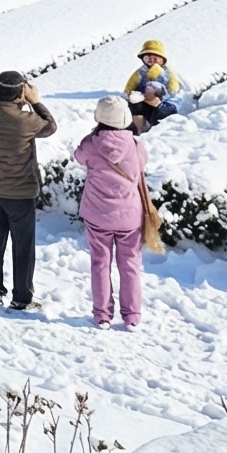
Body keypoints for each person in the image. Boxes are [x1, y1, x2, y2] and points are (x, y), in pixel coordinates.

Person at [0, 70, 56, 311]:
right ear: (21, 93)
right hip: (20, 192)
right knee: (23, 246)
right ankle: (21, 297)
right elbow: (50, 127)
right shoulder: (26, 120)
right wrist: (35, 101)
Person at [73, 96, 148, 329]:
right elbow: (142, 164)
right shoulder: (135, 145)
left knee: (100, 264)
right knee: (130, 265)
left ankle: (102, 314)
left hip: (97, 215)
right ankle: (132, 316)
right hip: (129, 216)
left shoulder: (90, 144)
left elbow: (78, 157)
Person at [124, 40, 190, 130]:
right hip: (145, 100)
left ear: (162, 60)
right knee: (135, 108)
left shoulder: (167, 74)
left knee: (160, 112)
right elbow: (131, 86)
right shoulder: (140, 72)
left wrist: (158, 100)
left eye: (155, 58)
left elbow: (173, 90)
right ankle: (138, 129)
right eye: (147, 58)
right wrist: (133, 94)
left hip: (166, 102)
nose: (151, 60)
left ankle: (157, 128)